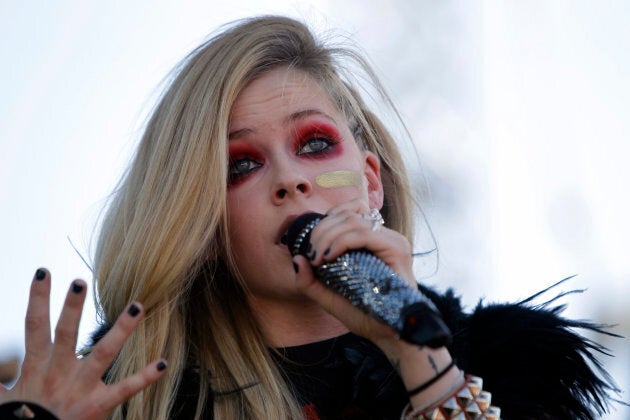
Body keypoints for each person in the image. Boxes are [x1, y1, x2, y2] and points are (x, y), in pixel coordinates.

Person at [0, 15, 620, 419]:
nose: (292, 179)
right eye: (241, 165)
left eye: (315, 144)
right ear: (206, 226)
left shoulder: (512, 371)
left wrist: (421, 362)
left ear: (370, 183)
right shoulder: (127, 402)